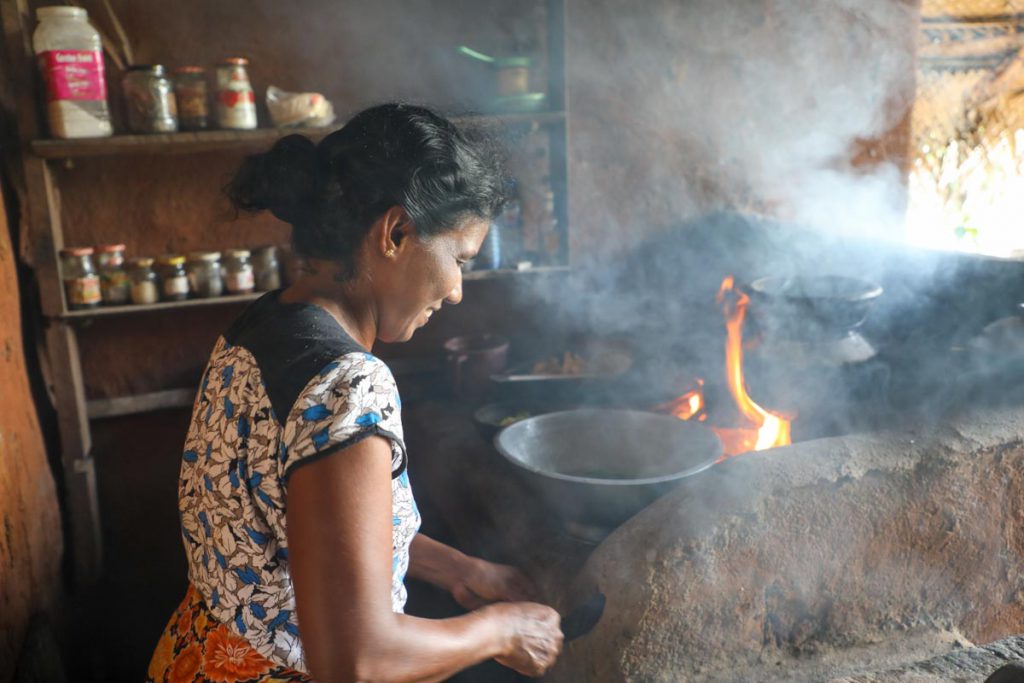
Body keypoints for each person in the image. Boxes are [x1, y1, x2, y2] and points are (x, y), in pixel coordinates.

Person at [147, 104, 563, 682]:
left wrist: (458, 570)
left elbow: (311, 528)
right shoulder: (348, 385)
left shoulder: (265, 326)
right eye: (458, 258)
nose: (458, 291)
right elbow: (357, 660)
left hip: (196, 658)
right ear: (394, 233)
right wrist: (501, 631)